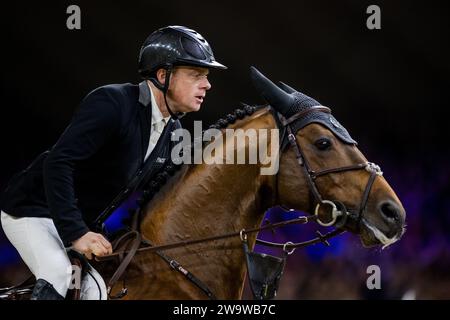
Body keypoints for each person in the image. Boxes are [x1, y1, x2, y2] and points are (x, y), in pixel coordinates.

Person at [0, 25, 227, 300]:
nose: (208, 84)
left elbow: (169, 195)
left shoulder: (174, 133)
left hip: (76, 222)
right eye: (196, 75)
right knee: (58, 273)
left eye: (206, 76)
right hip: (32, 210)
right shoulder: (113, 103)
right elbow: (58, 163)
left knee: (95, 293)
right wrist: (78, 233)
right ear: (163, 75)